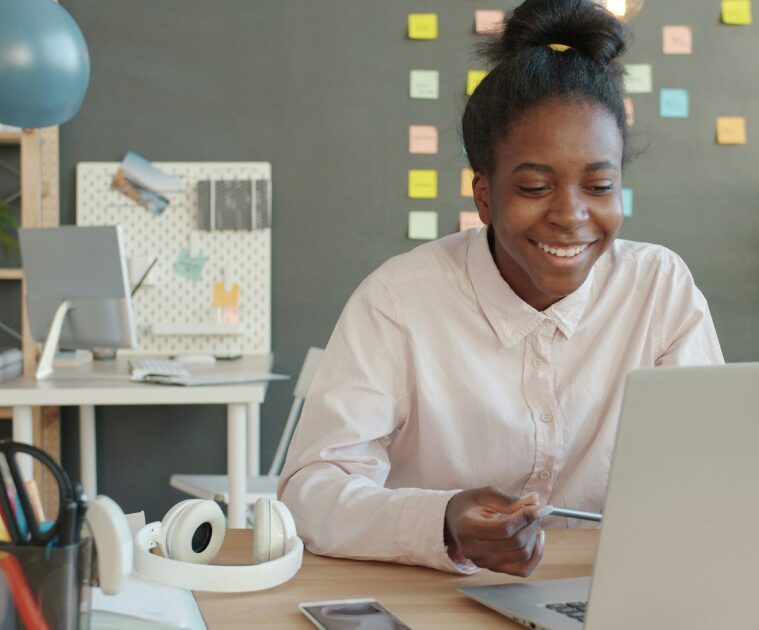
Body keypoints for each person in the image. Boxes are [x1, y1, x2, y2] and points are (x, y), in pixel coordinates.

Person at [278, 0, 724, 577]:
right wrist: (441, 520)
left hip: (611, 593)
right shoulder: (399, 301)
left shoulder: (659, 290)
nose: (572, 216)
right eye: (536, 186)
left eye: (599, 184)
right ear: (484, 196)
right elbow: (311, 491)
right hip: (436, 597)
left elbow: (712, 470)